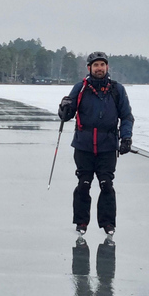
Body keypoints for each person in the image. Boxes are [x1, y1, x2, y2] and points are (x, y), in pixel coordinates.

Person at [58, 51, 134, 245]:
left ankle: (108, 223)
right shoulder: (80, 88)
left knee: (106, 184)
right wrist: (64, 107)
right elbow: (67, 115)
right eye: (95, 65)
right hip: (83, 146)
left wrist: (126, 138)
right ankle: (81, 222)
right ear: (89, 68)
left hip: (107, 146)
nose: (99, 68)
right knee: (83, 183)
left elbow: (126, 117)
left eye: (102, 65)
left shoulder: (117, 90)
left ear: (107, 67)